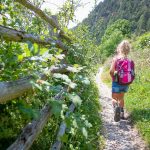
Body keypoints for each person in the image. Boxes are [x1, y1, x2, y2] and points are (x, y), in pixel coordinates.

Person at [109, 40, 133, 122]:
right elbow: (132, 73)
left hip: (117, 81)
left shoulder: (116, 59)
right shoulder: (130, 61)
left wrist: (113, 78)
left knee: (114, 98)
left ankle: (116, 108)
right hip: (126, 83)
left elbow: (111, 71)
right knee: (121, 98)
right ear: (128, 50)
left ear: (119, 48)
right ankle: (122, 114)